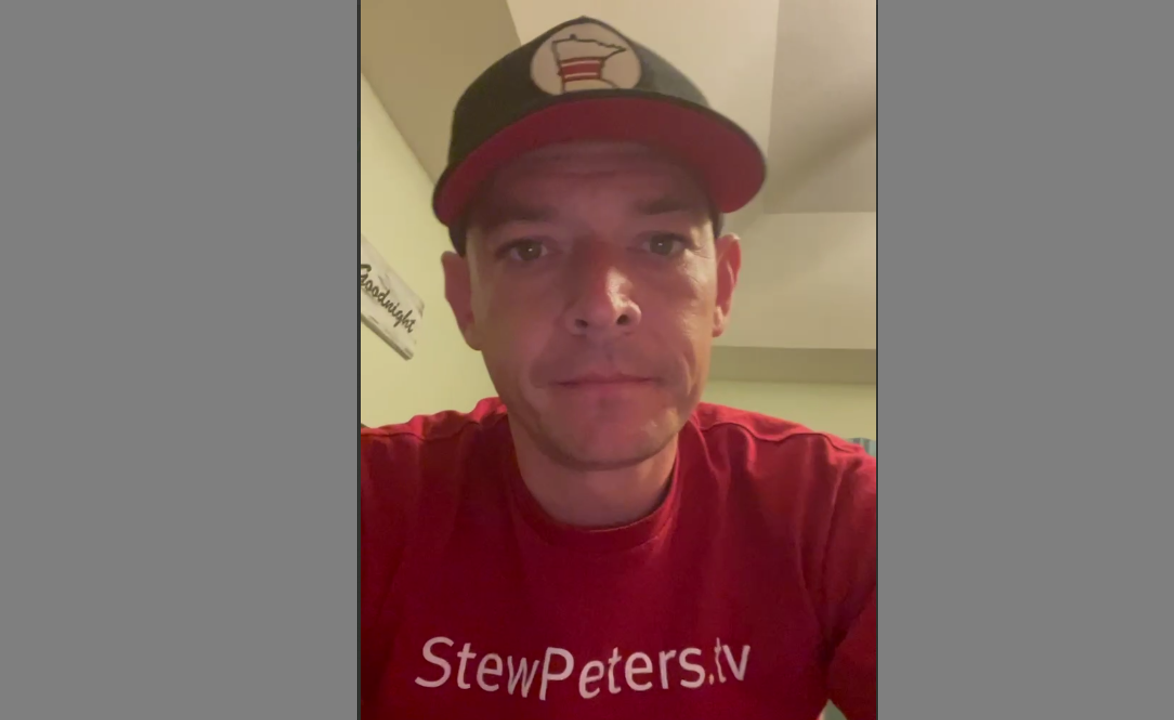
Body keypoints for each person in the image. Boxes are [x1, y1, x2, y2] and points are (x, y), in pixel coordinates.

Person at [361, 16, 876, 720]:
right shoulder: (379, 502)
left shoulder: (835, 509)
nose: (603, 305)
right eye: (530, 248)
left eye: (661, 243)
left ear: (723, 289)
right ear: (465, 301)